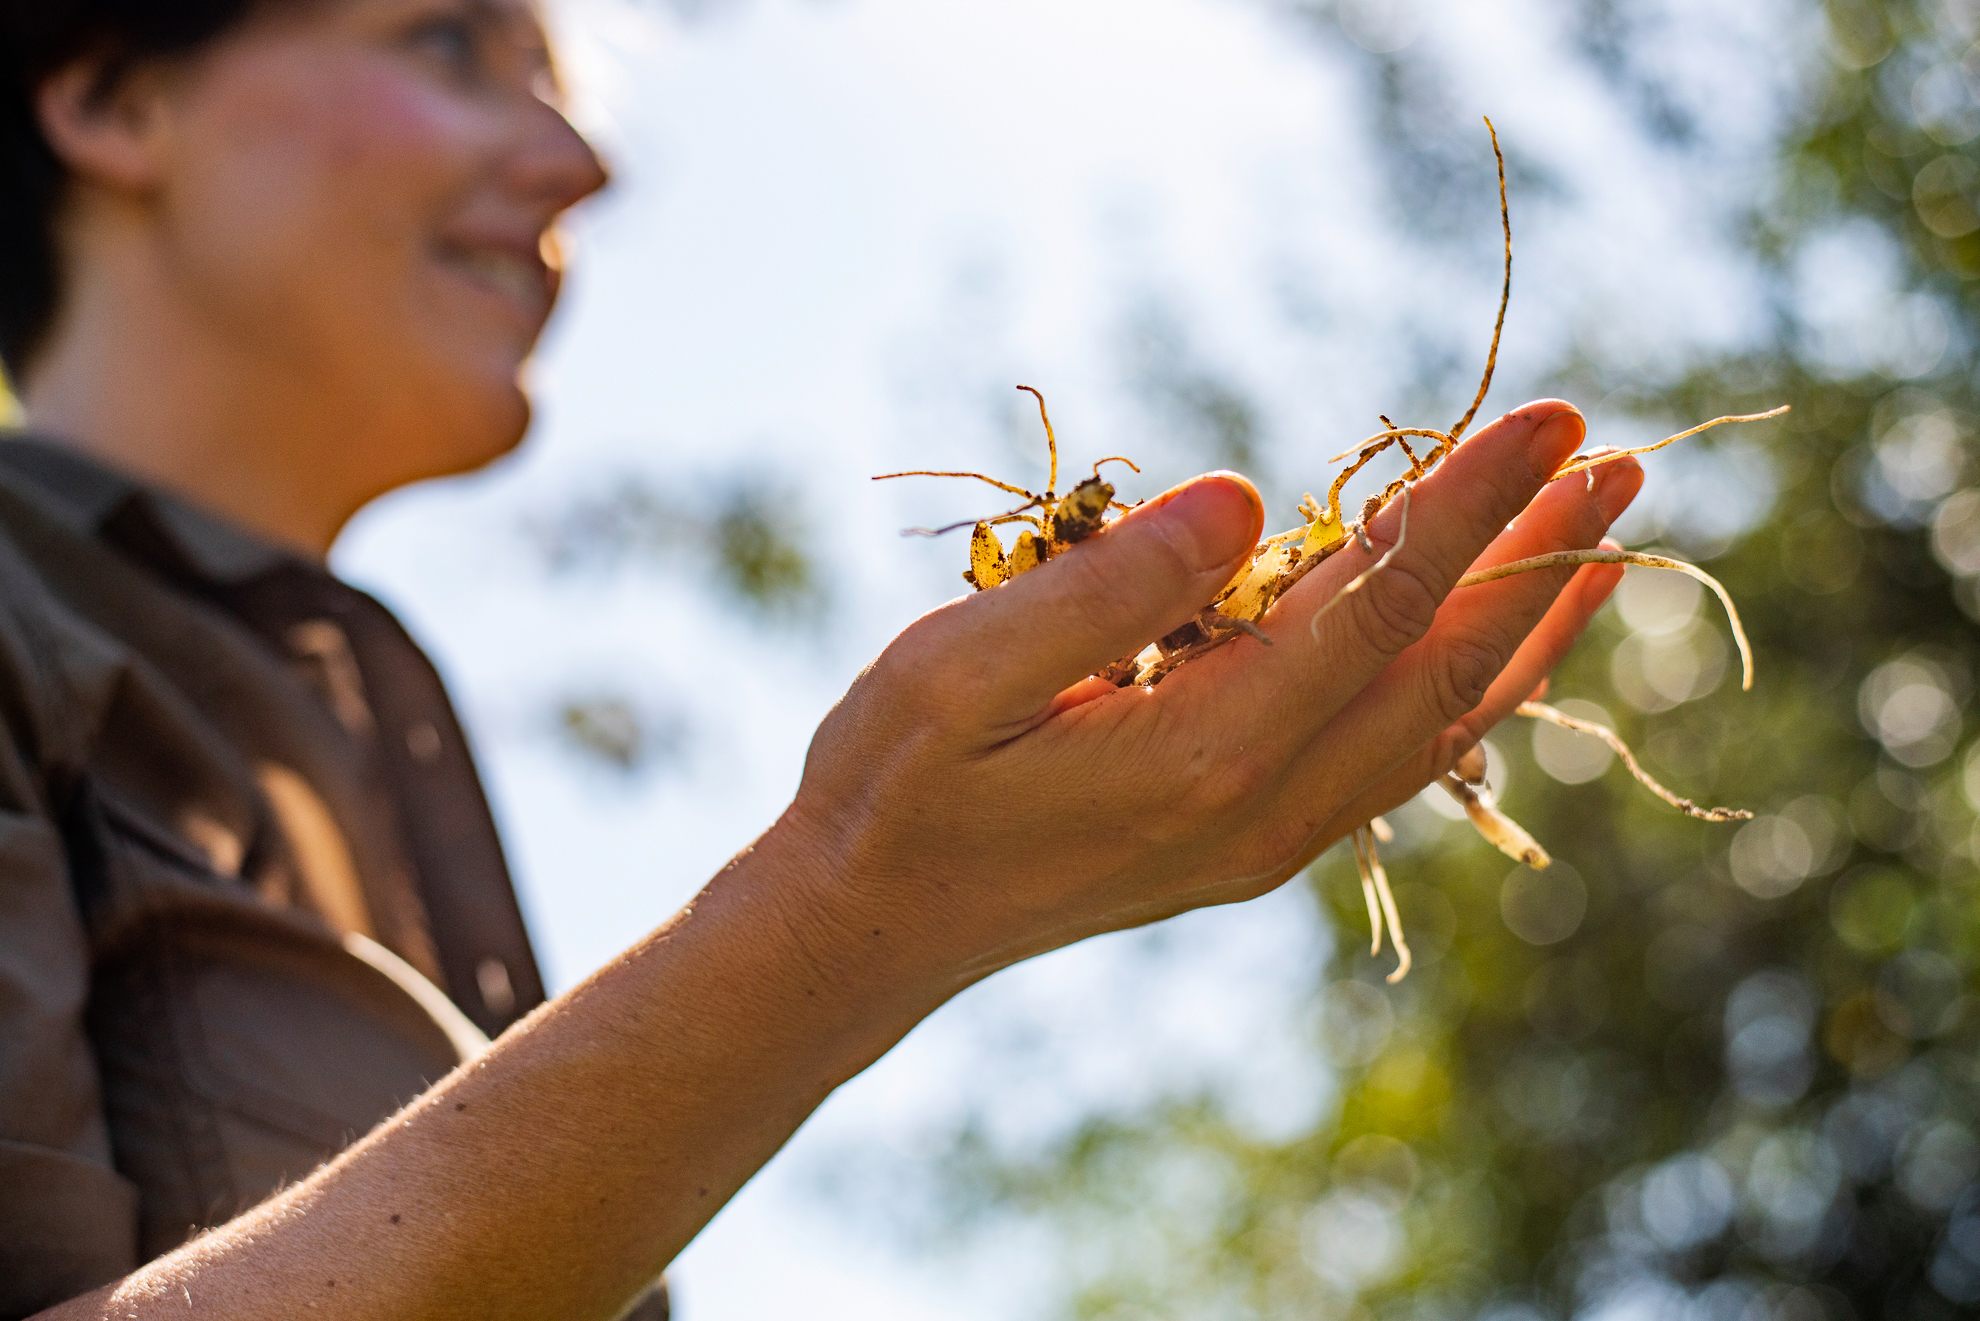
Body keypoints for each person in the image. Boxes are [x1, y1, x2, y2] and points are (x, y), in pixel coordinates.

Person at [0, 0, 1644, 1317]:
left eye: (557, 75)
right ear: (115, 98)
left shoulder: (370, 711)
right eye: (449, 43)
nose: (581, 161)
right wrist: (853, 914)